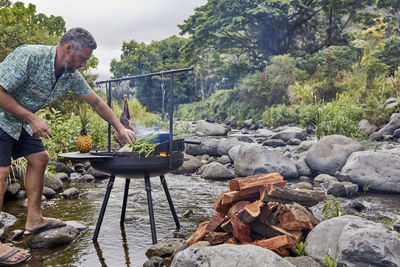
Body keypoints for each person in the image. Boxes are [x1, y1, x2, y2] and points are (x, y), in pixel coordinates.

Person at [0, 27, 136, 265]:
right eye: (83, 58)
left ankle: (33, 220)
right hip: (3, 116)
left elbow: (95, 101)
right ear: (68, 48)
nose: (83, 64)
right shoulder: (29, 55)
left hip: (19, 121)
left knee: (40, 158)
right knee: (1, 172)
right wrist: (32, 118)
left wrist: (119, 127)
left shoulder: (69, 75)